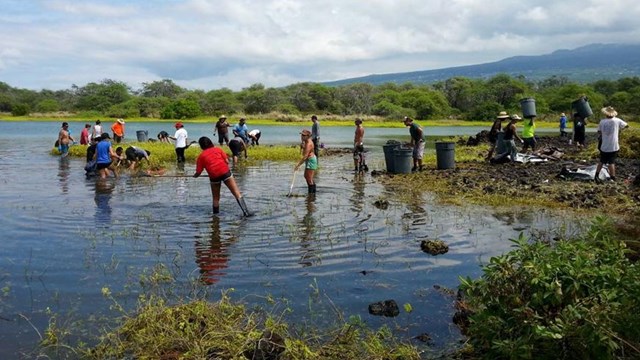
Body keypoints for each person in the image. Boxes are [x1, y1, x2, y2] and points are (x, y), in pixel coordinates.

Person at [193, 136, 253, 216]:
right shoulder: (218, 149)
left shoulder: (201, 156)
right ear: (211, 142)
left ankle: (216, 217)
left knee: (216, 198)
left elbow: (198, 172)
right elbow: (227, 161)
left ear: (201, 146)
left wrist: (195, 176)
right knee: (237, 193)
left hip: (214, 176)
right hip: (225, 173)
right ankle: (246, 213)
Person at [595, 106, 628, 182]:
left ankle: (596, 175)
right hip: (613, 145)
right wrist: (618, 129)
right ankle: (612, 177)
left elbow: (599, 132)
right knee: (611, 161)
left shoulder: (602, 121)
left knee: (602, 161)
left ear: (605, 114)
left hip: (604, 145)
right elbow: (626, 126)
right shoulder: (617, 120)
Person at [295, 129, 317, 194]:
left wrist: (298, 165)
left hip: (311, 161)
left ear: (308, 136)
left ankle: (312, 195)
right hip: (309, 160)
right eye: (301, 135)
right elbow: (303, 153)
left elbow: (305, 157)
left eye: (304, 135)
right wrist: (302, 147)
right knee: (306, 176)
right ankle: (311, 194)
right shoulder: (306, 142)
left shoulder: (309, 144)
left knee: (309, 179)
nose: (302, 137)